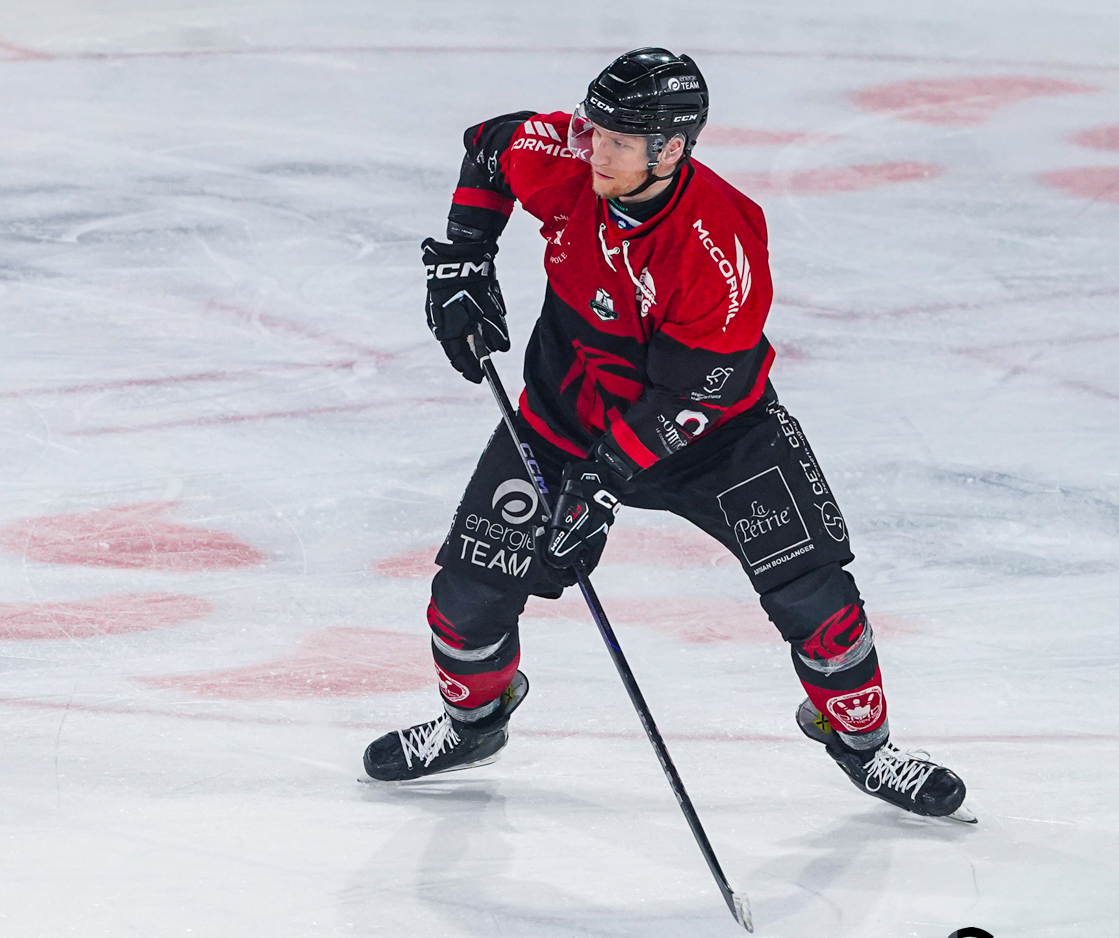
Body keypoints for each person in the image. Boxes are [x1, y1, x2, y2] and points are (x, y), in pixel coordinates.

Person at [362, 47, 970, 820]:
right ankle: (472, 724)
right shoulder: (574, 156)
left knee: (817, 601)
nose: (596, 151)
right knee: (466, 596)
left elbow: (703, 389)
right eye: (595, 130)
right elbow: (491, 146)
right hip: (566, 422)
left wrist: (601, 484)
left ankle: (865, 746)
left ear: (672, 148)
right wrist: (462, 259)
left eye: (619, 141)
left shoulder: (718, 243)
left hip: (720, 438)